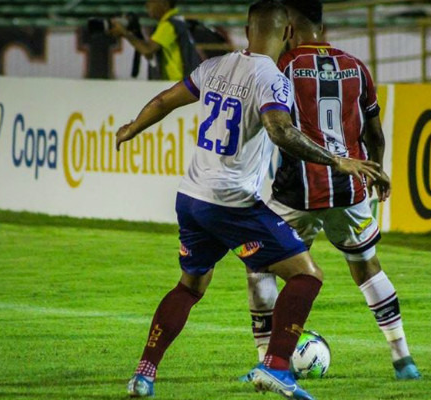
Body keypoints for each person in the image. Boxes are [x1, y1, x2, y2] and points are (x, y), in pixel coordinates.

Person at [114, 1, 382, 398]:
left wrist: (132, 128)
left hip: (191, 199)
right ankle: (275, 367)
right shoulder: (272, 78)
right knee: (307, 275)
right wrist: (337, 160)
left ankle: (143, 373)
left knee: (190, 286)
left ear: (245, 30)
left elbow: (165, 100)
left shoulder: (215, 66)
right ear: (289, 33)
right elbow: (279, 130)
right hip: (232, 202)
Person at [241, 0, 421, 381]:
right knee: (367, 267)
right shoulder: (357, 67)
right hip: (350, 187)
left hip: (298, 190)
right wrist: (377, 169)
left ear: (288, 26)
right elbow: (374, 132)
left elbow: (275, 126)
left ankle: (267, 360)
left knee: (260, 266)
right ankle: (404, 360)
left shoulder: (283, 66)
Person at [110, 0, 201, 81]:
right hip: (185, 83)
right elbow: (149, 54)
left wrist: (124, 33)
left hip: (177, 82)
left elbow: (147, 49)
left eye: (151, 1)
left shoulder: (168, 25)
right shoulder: (177, 21)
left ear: (164, 4)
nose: (147, 5)